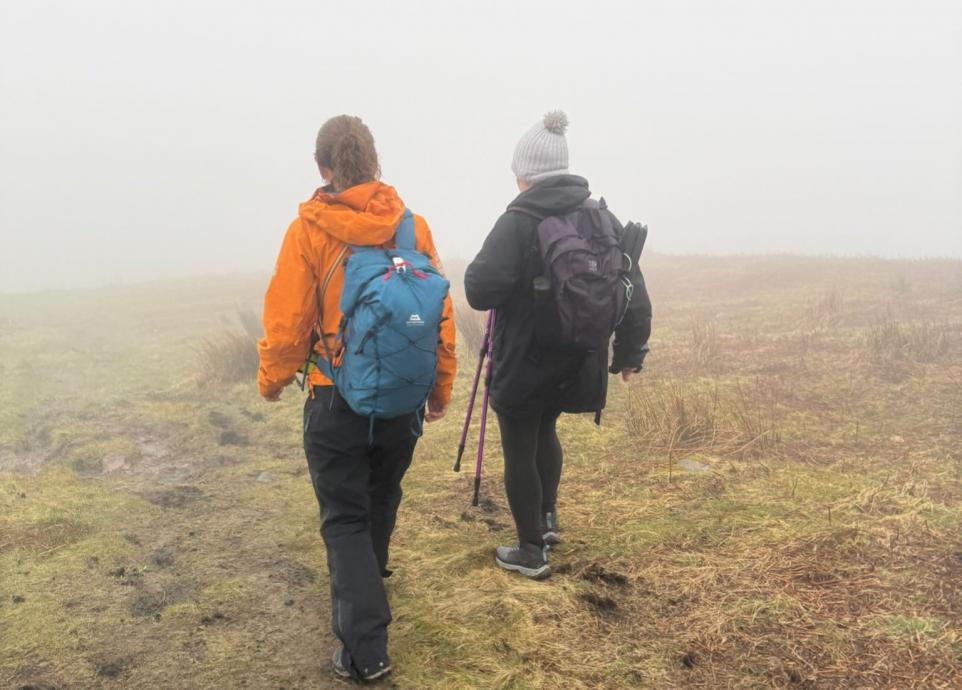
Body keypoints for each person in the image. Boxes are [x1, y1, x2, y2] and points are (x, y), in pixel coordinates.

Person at [256, 115, 456, 680]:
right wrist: (438, 388)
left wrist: (271, 379)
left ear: (323, 168)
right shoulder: (411, 228)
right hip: (400, 400)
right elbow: (438, 315)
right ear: (373, 163)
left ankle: (364, 650)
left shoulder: (309, 231)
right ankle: (370, 586)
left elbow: (288, 322)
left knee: (344, 517)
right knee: (381, 496)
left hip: (333, 397)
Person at [464, 111, 651, 580]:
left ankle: (530, 551)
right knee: (546, 431)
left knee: (521, 444)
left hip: (526, 359)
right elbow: (632, 285)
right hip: (581, 358)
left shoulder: (518, 220)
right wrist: (629, 353)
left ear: (526, 174)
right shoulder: (600, 215)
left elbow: (479, 290)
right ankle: (547, 521)